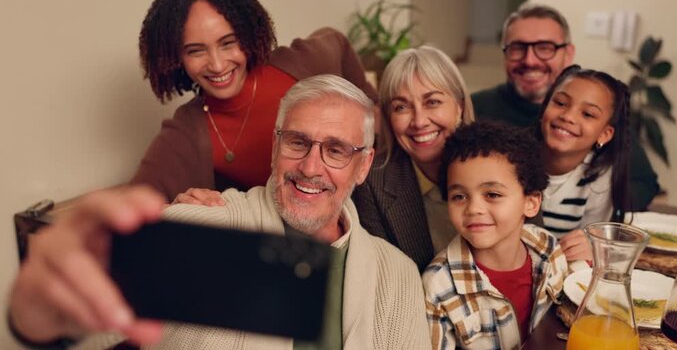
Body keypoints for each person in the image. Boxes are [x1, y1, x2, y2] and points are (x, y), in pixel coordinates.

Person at [8, 75, 430, 350]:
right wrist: (38, 304)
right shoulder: (201, 229)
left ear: (362, 166)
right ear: (275, 148)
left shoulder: (396, 275)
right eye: (297, 142)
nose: (310, 167)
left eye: (336, 150)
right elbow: (80, 331)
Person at [130, 0, 377, 202]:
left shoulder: (299, 64)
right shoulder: (186, 132)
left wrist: (370, 109)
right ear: (175, 59)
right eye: (196, 51)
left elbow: (337, 41)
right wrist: (179, 207)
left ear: (248, 35)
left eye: (228, 43)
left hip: (377, 198)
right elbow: (132, 204)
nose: (216, 65)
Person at [471, 2, 659, 211]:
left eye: (545, 48)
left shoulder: (600, 117)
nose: (530, 60)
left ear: (568, 54)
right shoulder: (474, 108)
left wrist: (597, 221)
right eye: (518, 48)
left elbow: (643, 183)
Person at [422, 121, 568, 349]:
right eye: (459, 196)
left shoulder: (547, 248)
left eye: (492, 194)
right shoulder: (437, 288)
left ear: (530, 203)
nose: (473, 209)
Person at [352, 46, 475, 271]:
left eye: (432, 102)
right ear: (389, 118)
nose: (419, 121)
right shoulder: (372, 184)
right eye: (402, 107)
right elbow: (383, 278)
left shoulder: (505, 163)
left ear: (459, 106)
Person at [538, 65, 631, 262]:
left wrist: (589, 247)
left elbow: (593, 246)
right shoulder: (512, 160)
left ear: (604, 134)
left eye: (587, 114)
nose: (568, 116)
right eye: (560, 103)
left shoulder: (600, 179)